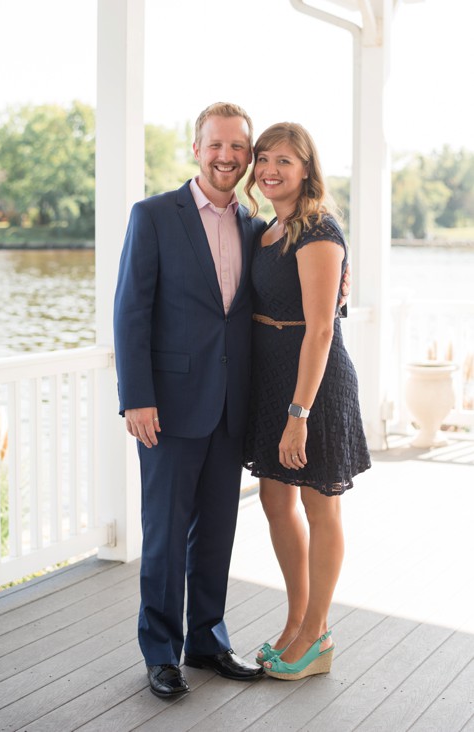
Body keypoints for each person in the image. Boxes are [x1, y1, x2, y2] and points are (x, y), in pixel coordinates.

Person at [113, 102, 265, 699]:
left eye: (238, 148)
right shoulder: (153, 215)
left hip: (231, 405)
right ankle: (160, 652)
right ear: (195, 149)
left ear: (248, 156)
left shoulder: (256, 226)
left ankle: (206, 638)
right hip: (168, 407)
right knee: (166, 532)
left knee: (218, 532)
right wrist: (137, 397)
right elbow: (131, 310)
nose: (227, 157)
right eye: (216, 145)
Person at [242, 122, 370, 680]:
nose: (270, 169)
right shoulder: (268, 228)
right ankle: (296, 621)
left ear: (306, 169)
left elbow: (320, 330)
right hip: (273, 378)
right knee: (275, 501)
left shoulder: (317, 229)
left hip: (312, 386)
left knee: (321, 505)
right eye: (263, 158)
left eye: (284, 161)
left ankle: (318, 633)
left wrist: (299, 415)